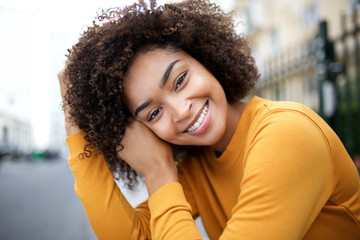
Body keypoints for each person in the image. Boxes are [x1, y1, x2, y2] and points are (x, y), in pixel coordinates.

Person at [58, 0, 360, 239]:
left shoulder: (287, 134)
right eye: (154, 113)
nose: (181, 111)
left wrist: (159, 174)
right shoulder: (198, 164)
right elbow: (133, 236)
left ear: (205, 58)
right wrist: (75, 126)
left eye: (179, 80)